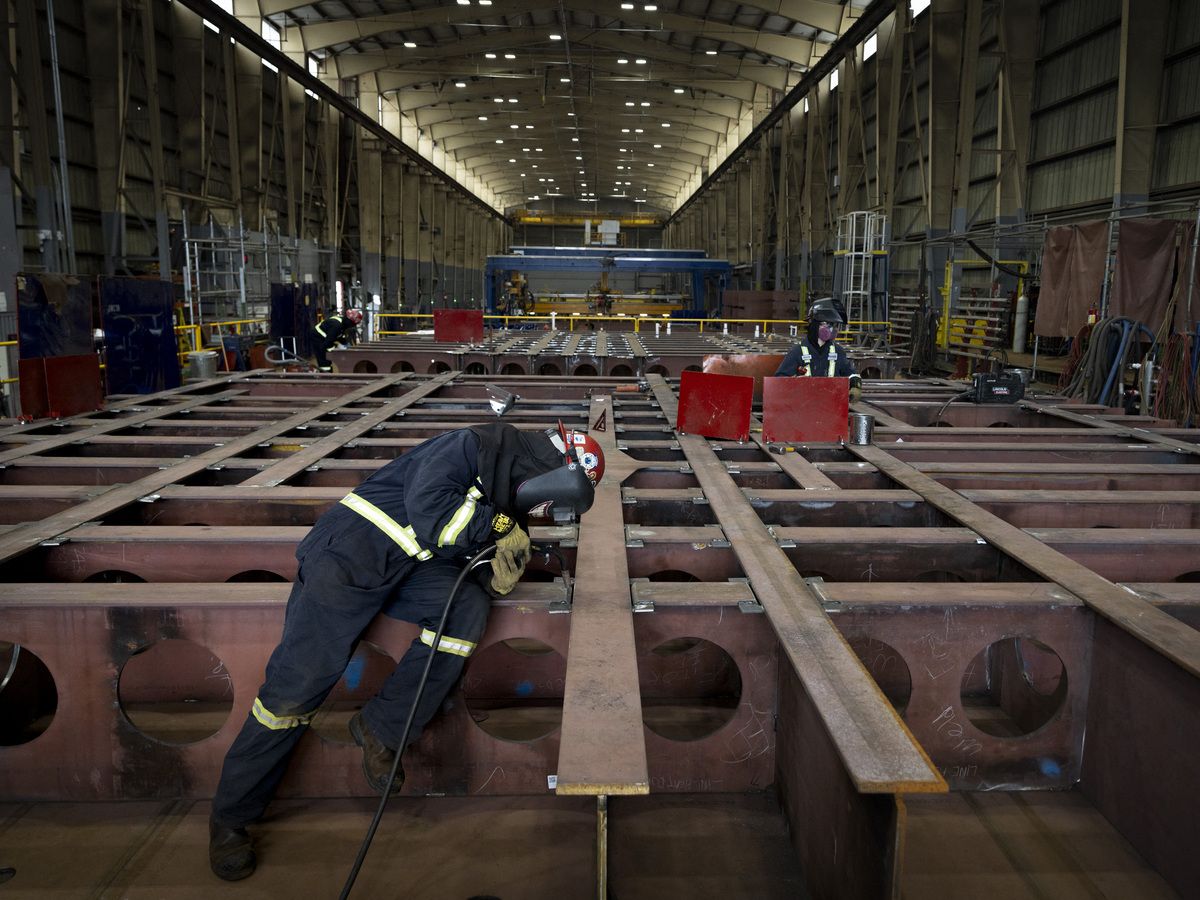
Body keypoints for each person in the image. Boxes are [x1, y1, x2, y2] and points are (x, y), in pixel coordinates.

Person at [208, 421, 605, 881]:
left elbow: (461, 546)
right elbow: (434, 511)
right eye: (547, 503)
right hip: (349, 555)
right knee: (296, 689)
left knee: (465, 608)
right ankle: (231, 817)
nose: (540, 512)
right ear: (555, 472)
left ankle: (383, 727)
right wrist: (496, 531)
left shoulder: (505, 486)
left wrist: (496, 562)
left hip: (409, 566)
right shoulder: (472, 446)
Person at [774, 298, 863, 401]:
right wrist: (795, 382)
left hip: (831, 406)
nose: (831, 329)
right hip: (804, 407)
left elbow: (851, 374)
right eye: (826, 324)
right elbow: (779, 381)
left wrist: (855, 386)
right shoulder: (797, 352)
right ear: (814, 324)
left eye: (834, 325)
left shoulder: (837, 351)